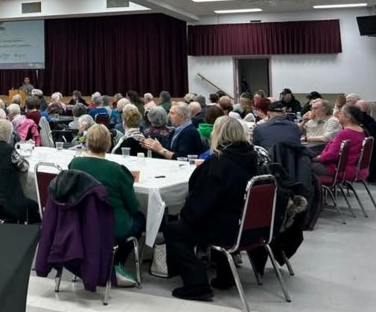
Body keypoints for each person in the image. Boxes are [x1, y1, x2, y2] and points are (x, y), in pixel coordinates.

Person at [163, 116, 261, 300]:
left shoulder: (218, 164)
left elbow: (200, 204)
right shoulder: (251, 158)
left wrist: (185, 215)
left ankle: (197, 284)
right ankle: (225, 275)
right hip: (247, 225)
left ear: (218, 135)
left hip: (226, 228)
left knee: (174, 229)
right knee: (217, 213)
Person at [69, 124, 145, 287]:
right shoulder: (117, 170)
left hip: (81, 222)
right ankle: (116, 263)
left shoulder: (75, 164)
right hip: (111, 226)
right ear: (110, 144)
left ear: (87, 143)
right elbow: (133, 205)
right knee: (140, 219)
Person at [0, 119, 40, 223]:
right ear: (8, 134)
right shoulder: (7, 150)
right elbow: (24, 167)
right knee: (35, 206)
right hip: (8, 202)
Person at [311, 105, 369, 181]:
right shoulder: (362, 131)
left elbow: (332, 155)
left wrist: (317, 158)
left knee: (304, 164)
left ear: (348, 117)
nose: (337, 115)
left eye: (340, 113)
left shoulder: (346, 133)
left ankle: (308, 191)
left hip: (341, 169)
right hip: (355, 169)